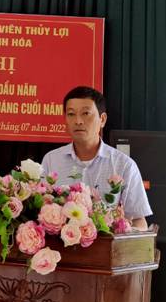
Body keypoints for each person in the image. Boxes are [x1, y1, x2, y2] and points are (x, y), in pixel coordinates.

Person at [41, 86, 152, 230]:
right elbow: (41, 212)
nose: (78, 121)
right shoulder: (51, 160)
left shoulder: (124, 165)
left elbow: (139, 221)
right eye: (71, 114)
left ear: (102, 119)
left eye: (86, 113)